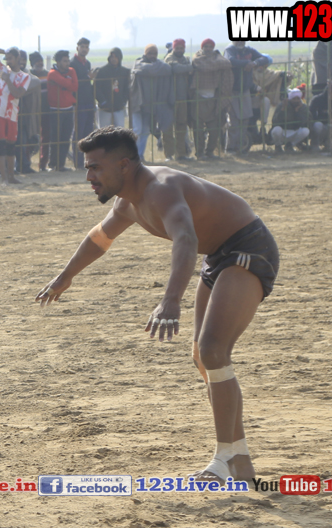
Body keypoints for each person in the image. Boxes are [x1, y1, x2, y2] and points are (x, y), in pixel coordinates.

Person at [37, 126, 278, 483]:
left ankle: (225, 459)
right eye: (87, 168)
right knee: (204, 357)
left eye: (96, 168)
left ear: (124, 165)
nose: (89, 177)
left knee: (213, 350)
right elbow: (99, 238)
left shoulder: (161, 189)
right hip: (218, 257)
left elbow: (186, 239)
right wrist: (64, 277)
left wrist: (170, 300)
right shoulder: (127, 203)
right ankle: (238, 460)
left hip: (247, 249)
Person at [0, 47, 31, 184]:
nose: (8, 61)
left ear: (18, 58)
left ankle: (11, 176)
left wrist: (7, 80)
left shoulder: (25, 77)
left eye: (11, 58)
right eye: (7, 58)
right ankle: (4, 178)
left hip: (12, 115)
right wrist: (4, 51)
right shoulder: (1, 69)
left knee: (11, 145)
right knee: (1, 145)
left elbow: (17, 94)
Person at [225, 41, 272, 154]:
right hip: (232, 90)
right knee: (233, 121)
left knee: (245, 119)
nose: (240, 41)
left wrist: (254, 63)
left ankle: (240, 148)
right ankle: (230, 148)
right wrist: (247, 63)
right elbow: (231, 60)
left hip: (245, 90)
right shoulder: (230, 49)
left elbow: (264, 59)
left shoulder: (249, 50)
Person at [129, 45, 172, 161]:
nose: (152, 56)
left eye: (155, 54)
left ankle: (140, 156)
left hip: (149, 105)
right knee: (137, 130)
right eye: (150, 53)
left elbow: (167, 68)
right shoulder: (138, 64)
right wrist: (156, 67)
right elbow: (146, 69)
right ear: (145, 54)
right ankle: (133, 156)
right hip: (137, 104)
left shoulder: (161, 66)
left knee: (145, 131)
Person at [191, 39, 232, 159]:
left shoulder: (217, 57)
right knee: (198, 130)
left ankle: (210, 152)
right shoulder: (197, 57)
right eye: (206, 46)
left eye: (210, 47)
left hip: (213, 98)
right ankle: (199, 153)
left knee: (214, 129)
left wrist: (213, 62)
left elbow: (227, 63)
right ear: (202, 47)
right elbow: (202, 65)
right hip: (198, 99)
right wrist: (215, 64)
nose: (208, 49)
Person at [46, 50, 79, 171]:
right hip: (55, 110)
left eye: (68, 60)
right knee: (55, 138)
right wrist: (67, 83)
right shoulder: (52, 73)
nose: (67, 63)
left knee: (65, 138)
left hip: (69, 109)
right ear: (58, 62)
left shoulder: (71, 71)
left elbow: (75, 87)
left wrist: (65, 84)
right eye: (64, 61)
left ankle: (61, 164)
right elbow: (68, 84)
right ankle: (52, 164)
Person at [162, 38, 193, 161]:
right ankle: (169, 155)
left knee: (181, 127)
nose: (179, 50)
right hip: (169, 99)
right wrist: (189, 67)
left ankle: (181, 154)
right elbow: (175, 68)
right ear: (173, 48)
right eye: (177, 48)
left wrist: (187, 67)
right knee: (168, 128)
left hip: (183, 99)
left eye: (181, 48)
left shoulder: (185, 59)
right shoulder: (169, 58)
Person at [71, 38, 95, 168]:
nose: (84, 49)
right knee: (78, 133)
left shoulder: (87, 63)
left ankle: (86, 161)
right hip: (78, 102)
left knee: (88, 133)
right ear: (77, 48)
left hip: (88, 101)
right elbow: (74, 83)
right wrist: (87, 78)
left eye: (86, 47)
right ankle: (77, 162)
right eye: (82, 47)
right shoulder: (72, 64)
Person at [94, 48, 130, 130]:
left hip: (119, 107)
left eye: (116, 57)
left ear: (120, 58)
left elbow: (127, 89)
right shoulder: (102, 71)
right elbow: (96, 88)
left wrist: (123, 101)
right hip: (105, 108)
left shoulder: (125, 72)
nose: (114, 59)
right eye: (112, 57)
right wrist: (103, 102)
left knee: (120, 130)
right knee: (104, 131)